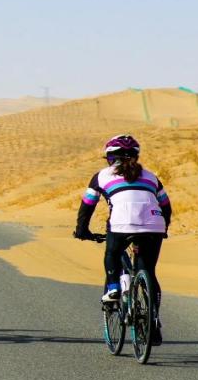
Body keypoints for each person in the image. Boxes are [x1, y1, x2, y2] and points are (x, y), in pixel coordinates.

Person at [73, 134, 171, 344]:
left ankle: (113, 288)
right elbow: (165, 205)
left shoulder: (101, 176)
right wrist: (164, 228)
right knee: (148, 271)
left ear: (110, 157)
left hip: (121, 224)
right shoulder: (151, 177)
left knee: (112, 253)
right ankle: (153, 321)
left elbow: (87, 205)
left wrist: (82, 230)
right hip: (154, 224)